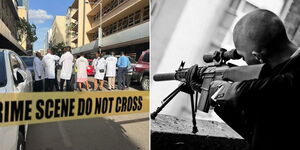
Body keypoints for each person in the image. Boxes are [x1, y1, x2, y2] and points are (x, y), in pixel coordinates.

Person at [199, 9, 300, 150]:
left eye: (244, 57)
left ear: (258, 56)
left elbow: (274, 88)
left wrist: (224, 91)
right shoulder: (276, 76)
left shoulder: (283, 82)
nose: (244, 61)